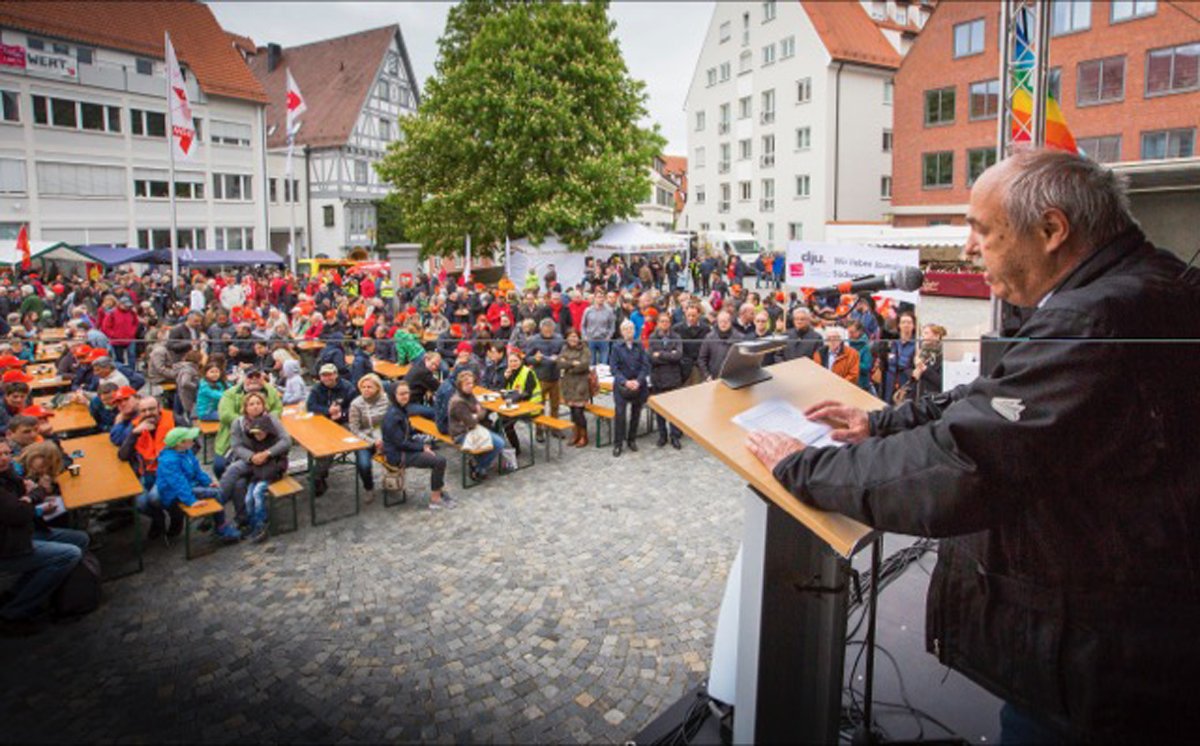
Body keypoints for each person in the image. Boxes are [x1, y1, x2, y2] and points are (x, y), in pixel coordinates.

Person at [745, 148, 1200, 742]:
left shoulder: (1096, 319)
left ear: (1052, 230)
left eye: (982, 229)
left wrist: (804, 466)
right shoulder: (1139, 285)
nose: (966, 247)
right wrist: (879, 425)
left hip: (1104, 669)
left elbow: (966, 463)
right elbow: (997, 396)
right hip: (1125, 642)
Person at [0, 440, 90, 636]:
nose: (4, 458)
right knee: (69, 554)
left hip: (23, 532)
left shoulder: (8, 474)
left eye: (7, 453)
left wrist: (28, 497)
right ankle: (13, 612)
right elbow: (18, 513)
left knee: (80, 539)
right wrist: (35, 494)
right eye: (0, 455)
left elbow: (22, 504)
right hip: (9, 545)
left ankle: (18, 593)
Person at [154, 427, 241, 543]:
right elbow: (178, 484)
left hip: (189, 486)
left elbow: (197, 471)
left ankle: (211, 518)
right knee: (216, 493)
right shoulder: (169, 461)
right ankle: (221, 528)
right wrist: (191, 501)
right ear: (180, 443)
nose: (194, 441)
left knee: (216, 489)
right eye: (190, 439)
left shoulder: (186, 452)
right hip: (174, 493)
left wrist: (208, 482)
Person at [222, 401, 291, 543]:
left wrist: (267, 453)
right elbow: (236, 446)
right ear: (245, 408)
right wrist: (252, 457)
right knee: (236, 476)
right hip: (250, 460)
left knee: (244, 486)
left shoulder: (271, 419)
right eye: (251, 404)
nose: (255, 406)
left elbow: (286, 441)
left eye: (258, 403)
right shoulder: (239, 423)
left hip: (269, 462)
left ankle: (253, 522)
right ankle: (223, 505)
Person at [382, 381, 454, 509]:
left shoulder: (400, 409)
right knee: (439, 461)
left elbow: (408, 432)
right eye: (401, 394)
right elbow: (400, 442)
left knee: (433, 449)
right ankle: (435, 499)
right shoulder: (393, 415)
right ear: (394, 395)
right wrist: (421, 447)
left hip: (403, 448)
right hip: (397, 455)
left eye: (407, 393)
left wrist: (424, 439)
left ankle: (439, 489)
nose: (405, 396)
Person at [214, 368, 282, 479]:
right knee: (219, 466)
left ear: (263, 378)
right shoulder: (230, 393)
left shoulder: (271, 391)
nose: (254, 380)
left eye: (257, 376)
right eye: (250, 377)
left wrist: (264, 421)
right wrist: (250, 422)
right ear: (243, 378)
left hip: (264, 438)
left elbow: (278, 409)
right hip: (232, 437)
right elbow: (225, 415)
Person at [306, 363, 357, 496]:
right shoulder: (317, 388)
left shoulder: (348, 388)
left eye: (329, 374)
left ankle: (317, 475)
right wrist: (328, 411)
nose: (327, 378)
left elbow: (355, 408)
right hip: (323, 422)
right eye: (324, 375)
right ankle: (320, 472)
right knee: (313, 441)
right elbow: (310, 406)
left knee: (331, 445)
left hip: (343, 422)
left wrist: (342, 414)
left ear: (336, 374)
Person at [446, 370, 506, 481]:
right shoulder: (458, 402)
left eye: (472, 383)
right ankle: (479, 466)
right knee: (499, 443)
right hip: (461, 433)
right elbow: (472, 421)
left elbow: (480, 409)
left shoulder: (469, 395)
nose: (470, 386)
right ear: (460, 385)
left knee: (495, 433)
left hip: (472, 428)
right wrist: (478, 414)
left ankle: (479, 463)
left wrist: (476, 414)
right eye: (467, 384)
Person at [609, 319, 649, 457]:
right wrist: (625, 382)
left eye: (631, 329)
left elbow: (645, 366)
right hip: (622, 385)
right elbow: (614, 368)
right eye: (625, 329)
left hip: (638, 385)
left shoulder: (639, 345)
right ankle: (618, 444)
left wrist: (638, 381)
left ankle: (632, 439)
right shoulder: (616, 347)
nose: (628, 332)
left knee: (636, 413)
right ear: (621, 332)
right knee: (620, 415)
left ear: (634, 331)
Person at [347, 373, 389, 503]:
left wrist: (386, 439)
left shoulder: (386, 400)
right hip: (365, 439)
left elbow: (392, 420)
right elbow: (354, 429)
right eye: (363, 387)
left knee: (398, 457)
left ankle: (391, 481)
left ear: (377, 387)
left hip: (385, 437)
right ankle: (368, 488)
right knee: (364, 464)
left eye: (369, 387)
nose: (366, 389)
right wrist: (372, 442)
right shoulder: (356, 404)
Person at [646, 312, 683, 449]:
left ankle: (674, 435)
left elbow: (678, 356)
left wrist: (660, 354)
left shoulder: (676, 337)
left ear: (670, 323)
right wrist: (669, 355)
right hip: (658, 377)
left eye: (667, 321)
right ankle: (662, 435)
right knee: (660, 410)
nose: (664, 324)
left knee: (673, 409)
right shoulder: (653, 337)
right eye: (662, 321)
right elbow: (651, 357)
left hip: (673, 377)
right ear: (658, 323)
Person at [500, 348, 540, 455]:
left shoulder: (528, 372)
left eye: (515, 361)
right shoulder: (510, 373)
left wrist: (512, 398)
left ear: (520, 361)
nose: (513, 364)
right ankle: (502, 444)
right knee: (500, 420)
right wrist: (505, 378)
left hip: (531, 407)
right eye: (511, 361)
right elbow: (504, 389)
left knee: (506, 423)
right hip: (517, 405)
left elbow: (527, 393)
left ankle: (516, 449)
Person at [556, 328, 592, 448]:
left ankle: (584, 435)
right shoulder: (564, 348)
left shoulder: (584, 349)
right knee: (572, 411)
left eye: (575, 336)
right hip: (568, 384)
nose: (573, 339)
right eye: (570, 336)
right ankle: (575, 433)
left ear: (579, 338)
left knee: (578, 412)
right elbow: (558, 363)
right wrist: (572, 363)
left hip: (580, 385)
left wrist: (567, 364)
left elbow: (584, 365)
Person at [881, 310, 917, 403]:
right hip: (889, 383)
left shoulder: (916, 345)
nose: (906, 325)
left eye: (909, 322)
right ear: (899, 325)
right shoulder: (892, 343)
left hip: (906, 384)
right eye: (903, 322)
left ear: (914, 326)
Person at [697, 310, 742, 381]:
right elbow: (702, 359)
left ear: (730, 322)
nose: (723, 324)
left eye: (726, 321)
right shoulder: (709, 337)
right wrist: (707, 375)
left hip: (734, 378)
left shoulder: (739, 338)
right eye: (721, 321)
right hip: (713, 378)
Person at [674, 304, 710, 387]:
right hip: (684, 367)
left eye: (693, 315)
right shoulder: (677, 329)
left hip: (700, 366)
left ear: (699, 315)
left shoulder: (706, 329)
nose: (691, 318)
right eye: (688, 315)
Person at [910, 324, 946, 400]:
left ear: (936, 336)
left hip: (934, 398)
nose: (923, 336)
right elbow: (909, 371)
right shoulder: (920, 353)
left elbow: (942, 381)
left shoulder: (942, 355)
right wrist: (914, 373)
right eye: (922, 333)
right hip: (918, 396)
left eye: (926, 333)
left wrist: (925, 369)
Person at [401, 351, 441, 420]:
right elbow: (438, 387)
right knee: (434, 412)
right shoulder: (424, 372)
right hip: (408, 404)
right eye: (433, 364)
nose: (434, 367)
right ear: (426, 359)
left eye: (436, 366)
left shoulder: (419, 365)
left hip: (404, 401)